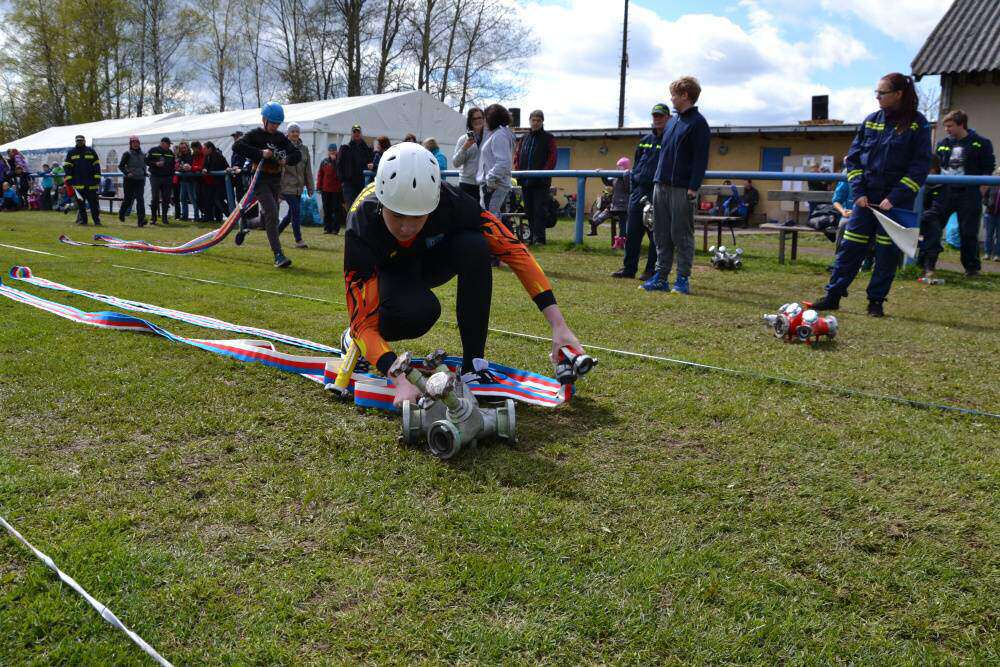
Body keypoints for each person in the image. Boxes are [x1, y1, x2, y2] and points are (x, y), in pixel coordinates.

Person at [343, 142, 584, 406]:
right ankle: (354, 341)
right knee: (422, 312)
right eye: (398, 215)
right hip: (389, 274)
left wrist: (558, 324)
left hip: (425, 261)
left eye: (419, 216)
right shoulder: (361, 224)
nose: (407, 227)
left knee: (475, 245)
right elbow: (361, 321)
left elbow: (513, 250)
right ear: (382, 202)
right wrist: (398, 376)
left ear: (433, 203)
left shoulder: (451, 200)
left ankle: (474, 365)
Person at [810, 73, 931, 317]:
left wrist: (895, 197)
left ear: (898, 94)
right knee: (849, 247)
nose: (877, 97)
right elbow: (852, 159)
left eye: (882, 92)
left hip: (894, 204)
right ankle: (833, 296)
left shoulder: (918, 124)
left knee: (886, 253)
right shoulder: (871, 121)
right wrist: (858, 193)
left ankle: (875, 302)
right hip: (865, 201)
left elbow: (919, 167)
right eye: (876, 92)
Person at [642, 76, 711, 294]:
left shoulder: (698, 123)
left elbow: (701, 158)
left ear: (685, 96)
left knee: (681, 234)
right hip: (660, 185)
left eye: (674, 94)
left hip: (682, 188)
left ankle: (682, 279)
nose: (671, 98)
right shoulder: (673, 122)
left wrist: (693, 186)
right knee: (660, 233)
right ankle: (661, 277)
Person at [233, 101, 302, 268]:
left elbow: (296, 154)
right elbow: (237, 146)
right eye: (273, 123)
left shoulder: (280, 138)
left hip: (275, 181)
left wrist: (287, 159)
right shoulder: (255, 135)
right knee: (272, 212)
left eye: (278, 124)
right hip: (259, 180)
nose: (275, 126)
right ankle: (278, 255)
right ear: (264, 119)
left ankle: (247, 224)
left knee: (267, 219)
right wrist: (260, 153)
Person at [935, 109, 996, 277]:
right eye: (945, 126)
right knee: (933, 225)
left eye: (950, 126)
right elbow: (935, 165)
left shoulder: (981, 143)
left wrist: (980, 190)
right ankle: (926, 263)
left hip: (969, 193)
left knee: (968, 231)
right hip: (945, 191)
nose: (946, 129)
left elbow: (987, 168)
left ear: (961, 124)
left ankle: (972, 268)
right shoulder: (943, 143)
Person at [613, 103, 669, 280]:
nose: (657, 119)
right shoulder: (644, 141)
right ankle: (629, 269)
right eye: (655, 116)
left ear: (668, 118)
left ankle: (650, 270)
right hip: (639, 191)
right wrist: (635, 184)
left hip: (658, 191)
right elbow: (637, 164)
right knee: (632, 232)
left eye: (660, 116)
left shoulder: (670, 141)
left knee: (655, 234)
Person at [514, 109, 557, 244]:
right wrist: (517, 171)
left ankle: (540, 238)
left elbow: (552, 158)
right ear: (530, 121)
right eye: (533, 120)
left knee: (539, 210)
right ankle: (532, 237)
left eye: (538, 120)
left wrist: (543, 173)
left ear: (542, 122)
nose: (536, 123)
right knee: (529, 210)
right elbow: (517, 156)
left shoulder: (549, 138)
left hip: (541, 182)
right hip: (525, 181)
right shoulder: (524, 138)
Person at [278, 121, 313, 248]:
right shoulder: (283, 149)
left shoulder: (304, 149)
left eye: (297, 131)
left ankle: (275, 234)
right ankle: (299, 240)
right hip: (286, 186)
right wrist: (278, 190)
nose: (295, 133)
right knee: (296, 211)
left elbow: (307, 169)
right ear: (288, 133)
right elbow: (279, 169)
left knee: (290, 215)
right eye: (292, 131)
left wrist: (310, 187)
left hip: (299, 187)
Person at [475, 103, 515, 217]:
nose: (484, 121)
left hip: (494, 186)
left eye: (485, 118)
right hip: (494, 185)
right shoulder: (500, 133)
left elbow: (504, 162)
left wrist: (490, 179)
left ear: (492, 118)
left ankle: (499, 235)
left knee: (490, 218)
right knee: (492, 217)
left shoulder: (500, 135)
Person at [916, 155, 947, 283]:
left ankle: (929, 266)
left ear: (934, 170)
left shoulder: (943, 183)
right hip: (915, 215)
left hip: (929, 218)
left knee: (933, 231)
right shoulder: (915, 177)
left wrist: (920, 218)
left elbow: (937, 208)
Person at [63, 134, 103, 226]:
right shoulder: (71, 153)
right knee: (81, 206)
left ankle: (97, 221)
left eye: (81, 140)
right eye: (78, 141)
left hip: (91, 184)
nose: (79, 142)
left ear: (84, 141)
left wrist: (97, 178)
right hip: (78, 184)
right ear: (75, 141)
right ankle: (83, 221)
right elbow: (67, 167)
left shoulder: (91, 151)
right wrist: (69, 179)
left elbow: (96, 166)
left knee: (94, 205)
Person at [337, 123, 374, 209]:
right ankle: (350, 222)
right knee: (351, 208)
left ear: (361, 134)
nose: (356, 134)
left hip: (362, 183)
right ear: (351, 134)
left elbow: (372, 163)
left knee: (361, 208)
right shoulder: (345, 148)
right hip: (348, 184)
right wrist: (342, 180)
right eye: (354, 132)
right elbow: (339, 165)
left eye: (358, 132)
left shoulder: (366, 149)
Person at [453, 107, 484, 201]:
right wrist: (465, 147)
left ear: (484, 119)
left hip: (485, 184)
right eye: (474, 118)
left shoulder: (489, 138)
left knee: (483, 215)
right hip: (467, 184)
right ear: (470, 121)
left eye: (480, 117)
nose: (477, 120)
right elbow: (455, 163)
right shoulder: (463, 139)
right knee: (467, 215)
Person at [117, 135, 148, 227]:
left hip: (140, 180)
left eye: (137, 142)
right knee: (128, 199)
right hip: (129, 180)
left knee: (140, 199)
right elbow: (121, 166)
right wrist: (127, 173)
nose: (135, 144)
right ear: (130, 144)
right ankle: (122, 213)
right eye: (133, 143)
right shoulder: (127, 154)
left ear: (139, 143)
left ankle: (141, 220)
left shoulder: (143, 154)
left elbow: (143, 165)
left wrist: (144, 172)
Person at [145, 136, 175, 225]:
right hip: (155, 177)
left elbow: (173, 165)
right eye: (168, 144)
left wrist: (171, 175)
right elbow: (145, 160)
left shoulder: (170, 153)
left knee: (166, 198)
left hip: (167, 178)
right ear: (162, 143)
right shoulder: (153, 150)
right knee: (155, 198)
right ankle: (153, 218)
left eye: (169, 144)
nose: (169, 146)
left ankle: (164, 218)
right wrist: (155, 164)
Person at [317, 143, 345, 234]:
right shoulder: (324, 161)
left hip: (337, 190)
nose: (332, 152)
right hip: (325, 189)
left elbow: (339, 173)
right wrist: (318, 186)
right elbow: (320, 175)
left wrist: (334, 162)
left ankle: (335, 229)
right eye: (330, 150)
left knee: (336, 209)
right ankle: (327, 228)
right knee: (327, 209)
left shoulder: (339, 161)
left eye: (334, 150)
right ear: (328, 151)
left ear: (337, 151)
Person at [201, 142, 230, 223]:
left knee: (218, 199)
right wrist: (204, 169)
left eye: (205, 148)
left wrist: (207, 170)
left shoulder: (218, 156)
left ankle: (230, 216)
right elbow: (205, 165)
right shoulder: (207, 156)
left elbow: (216, 167)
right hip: (214, 182)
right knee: (214, 200)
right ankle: (219, 218)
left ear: (210, 148)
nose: (203, 150)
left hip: (222, 182)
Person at [175, 141, 197, 222]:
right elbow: (178, 167)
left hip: (191, 180)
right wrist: (181, 168)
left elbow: (193, 167)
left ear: (187, 147)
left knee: (193, 199)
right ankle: (185, 216)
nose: (183, 149)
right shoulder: (180, 157)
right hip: (183, 180)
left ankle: (196, 216)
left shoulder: (192, 156)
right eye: (181, 148)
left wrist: (188, 168)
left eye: (184, 147)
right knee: (183, 198)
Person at [984, 166, 1000, 261]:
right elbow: (985, 197)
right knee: (989, 234)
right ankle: (987, 253)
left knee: (999, 236)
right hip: (990, 214)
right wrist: (987, 203)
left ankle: (997, 255)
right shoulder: (992, 185)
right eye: (998, 173)